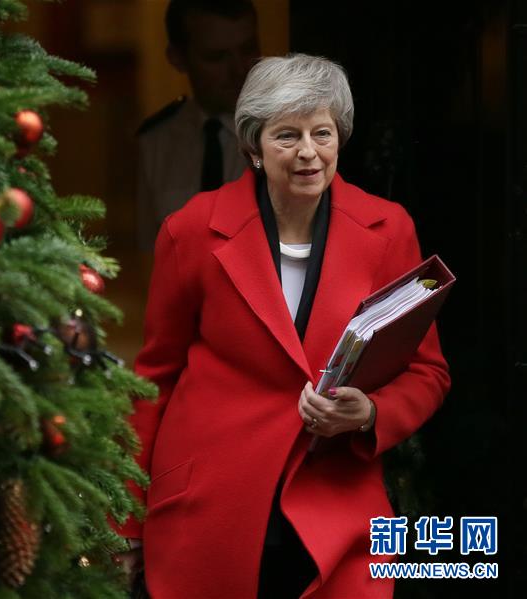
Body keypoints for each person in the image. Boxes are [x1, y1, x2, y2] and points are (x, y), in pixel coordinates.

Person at [115, 54, 451, 598]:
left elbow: (428, 372)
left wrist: (370, 414)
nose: (308, 152)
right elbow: (155, 379)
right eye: (287, 136)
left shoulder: (389, 228)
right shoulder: (192, 230)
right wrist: (127, 521)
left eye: (322, 133)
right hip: (210, 504)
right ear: (253, 147)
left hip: (335, 505)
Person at [136, 0, 260, 252]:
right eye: (216, 57)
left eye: (248, 50)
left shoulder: (284, 133)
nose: (239, 70)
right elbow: (149, 253)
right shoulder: (156, 141)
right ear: (177, 58)